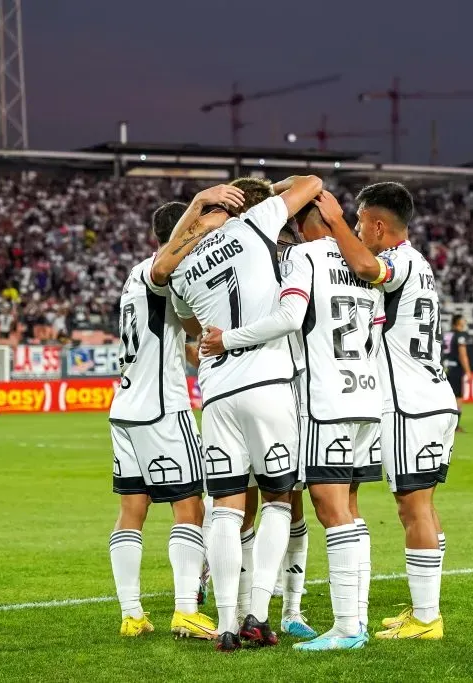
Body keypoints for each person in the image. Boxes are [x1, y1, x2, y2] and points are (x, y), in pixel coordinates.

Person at [201, 201, 384, 651]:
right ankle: (348, 613)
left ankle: (343, 627)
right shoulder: (365, 264)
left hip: (319, 399)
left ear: (302, 224)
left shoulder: (303, 256)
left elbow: (288, 318)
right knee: (348, 508)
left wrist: (228, 339)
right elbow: (375, 334)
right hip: (365, 395)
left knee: (320, 507)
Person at [160, 175, 323, 652]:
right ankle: (259, 613)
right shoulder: (254, 223)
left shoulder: (180, 269)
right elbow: (311, 181)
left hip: (217, 394)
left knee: (227, 510)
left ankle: (227, 622)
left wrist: (199, 223)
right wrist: (262, 193)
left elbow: (192, 324)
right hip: (268, 384)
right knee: (276, 500)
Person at [315, 183, 458, 641]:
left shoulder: (401, 262)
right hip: (433, 398)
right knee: (421, 507)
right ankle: (423, 609)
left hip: (408, 405)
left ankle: (427, 618)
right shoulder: (421, 266)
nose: (355, 230)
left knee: (412, 508)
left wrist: (334, 221)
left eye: (359, 223)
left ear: (378, 226)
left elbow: (362, 263)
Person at [106, 189, 243, 640]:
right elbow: (171, 273)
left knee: (132, 511)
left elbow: (182, 332)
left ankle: (132, 613)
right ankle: (186, 608)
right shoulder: (160, 269)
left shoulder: (133, 276)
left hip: (125, 408)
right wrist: (203, 208)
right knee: (190, 507)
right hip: (162, 409)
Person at [442, 315, 471, 432]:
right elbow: (462, 355)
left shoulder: (446, 335)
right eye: (463, 319)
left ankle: (443, 423)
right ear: (458, 322)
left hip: (444, 367)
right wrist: (468, 371)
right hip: (455, 368)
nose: (465, 321)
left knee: (445, 397)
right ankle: (455, 425)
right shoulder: (460, 336)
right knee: (458, 397)